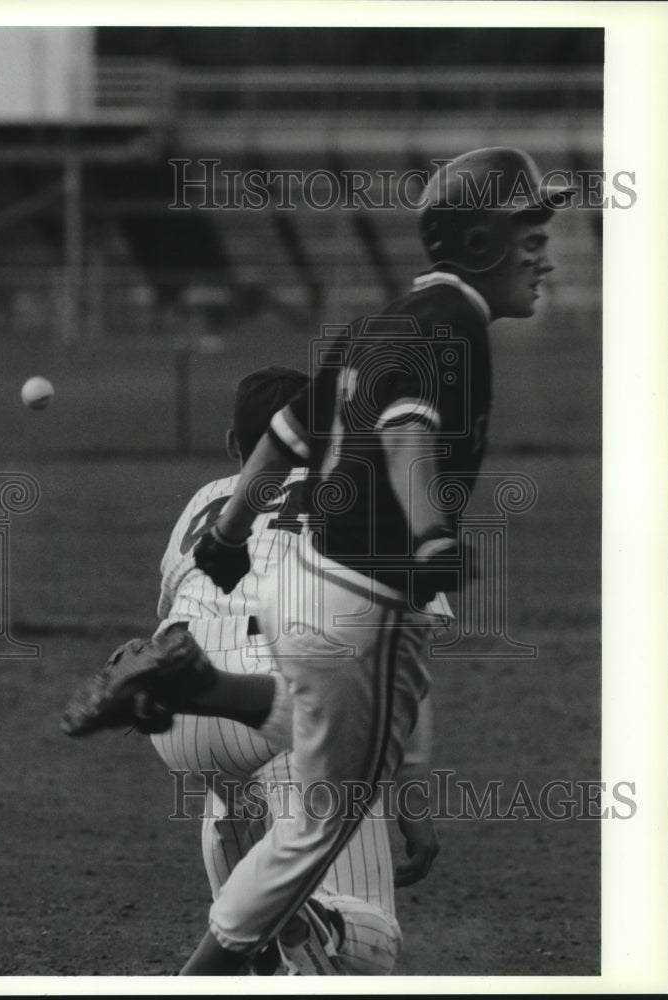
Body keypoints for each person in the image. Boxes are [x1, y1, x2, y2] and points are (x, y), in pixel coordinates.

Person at [182, 146, 570, 975]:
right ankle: (221, 963)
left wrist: (225, 534)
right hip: (362, 594)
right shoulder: (453, 322)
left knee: (324, 783)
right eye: (525, 231)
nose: (542, 251)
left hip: (303, 589)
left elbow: (284, 435)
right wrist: (431, 533)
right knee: (333, 815)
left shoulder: (378, 321)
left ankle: (211, 701)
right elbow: (406, 427)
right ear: (474, 242)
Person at [148, 366, 440, 975]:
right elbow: (398, 663)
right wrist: (410, 803)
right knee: (367, 945)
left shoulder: (206, 499)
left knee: (249, 947)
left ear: (236, 447)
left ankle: (265, 919)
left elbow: (182, 607)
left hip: (181, 714)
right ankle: (308, 916)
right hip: (284, 703)